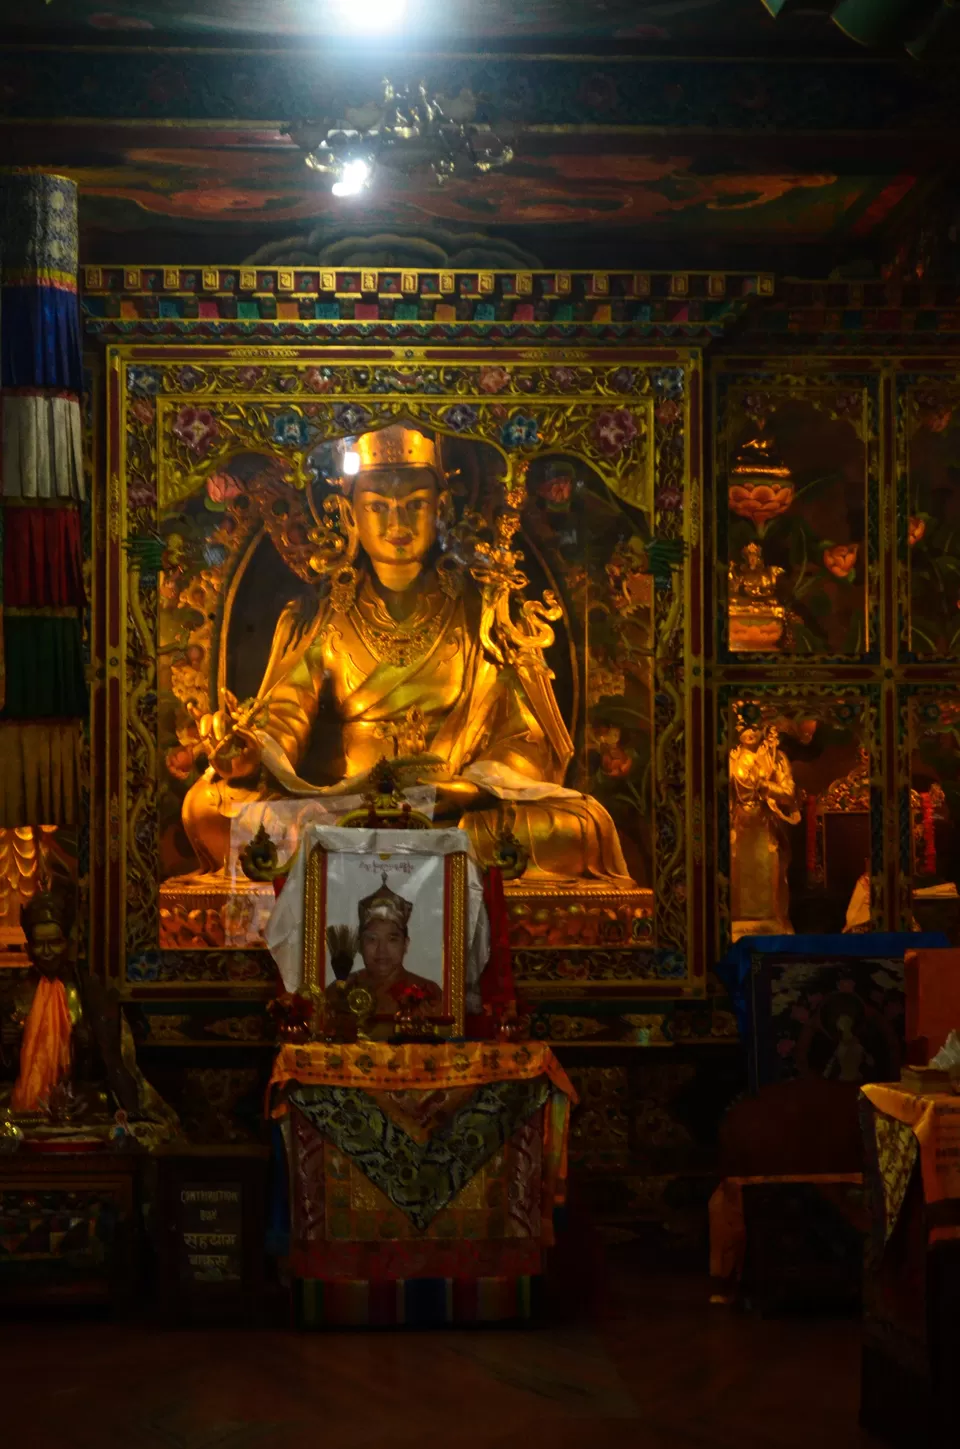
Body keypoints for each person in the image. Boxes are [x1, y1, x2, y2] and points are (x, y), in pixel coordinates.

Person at [179, 425, 635, 888]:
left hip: (450, 812)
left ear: (442, 509)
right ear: (347, 514)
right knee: (209, 807)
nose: (396, 523)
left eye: (414, 504)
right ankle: (379, 848)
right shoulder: (319, 618)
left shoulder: (483, 612)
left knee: (579, 826)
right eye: (377, 506)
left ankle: (370, 855)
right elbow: (282, 720)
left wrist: (470, 788)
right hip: (346, 809)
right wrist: (248, 755)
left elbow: (525, 737)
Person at [343, 873, 442, 1016]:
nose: (381, 950)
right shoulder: (341, 992)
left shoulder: (428, 994)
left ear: (405, 944)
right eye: (372, 939)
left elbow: (448, 1034)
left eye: (392, 939)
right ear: (359, 944)